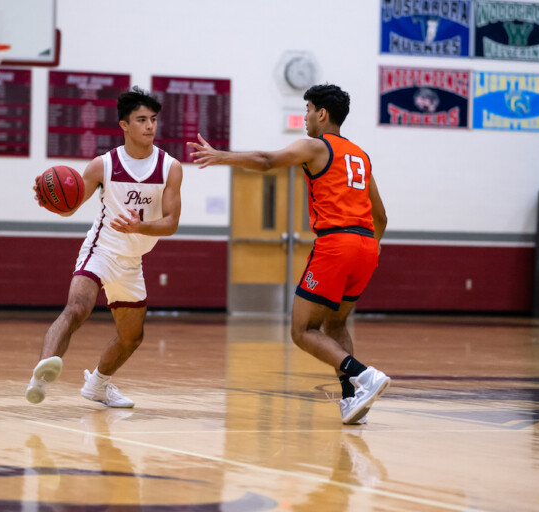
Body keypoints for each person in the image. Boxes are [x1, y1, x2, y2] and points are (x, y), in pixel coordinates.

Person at [188, 83, 389, 424]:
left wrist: (222, 156)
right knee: (336, 321)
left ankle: (364, 375)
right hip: (367, 244)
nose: (305, 117)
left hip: (336, 243)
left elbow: (267, 161)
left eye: (308, 109)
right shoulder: (361, 155)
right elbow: (381, 216)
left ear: (322, 114)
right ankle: (352, 400)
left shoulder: (316, 147)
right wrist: (365, 250)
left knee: (302, 331)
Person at [26, 86, 183, 408]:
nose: (150, 126)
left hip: (132, 261)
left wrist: (141, 227)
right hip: (101, 250)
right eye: (141, 120)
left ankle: (98, 385)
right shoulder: (103, 165)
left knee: (132, 338)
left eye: (153, 119)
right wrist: (49, 198)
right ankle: (40, 373)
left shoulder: (170, 168)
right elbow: (69, 206)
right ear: (124, 125)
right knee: (76, 309)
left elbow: (170, 224)